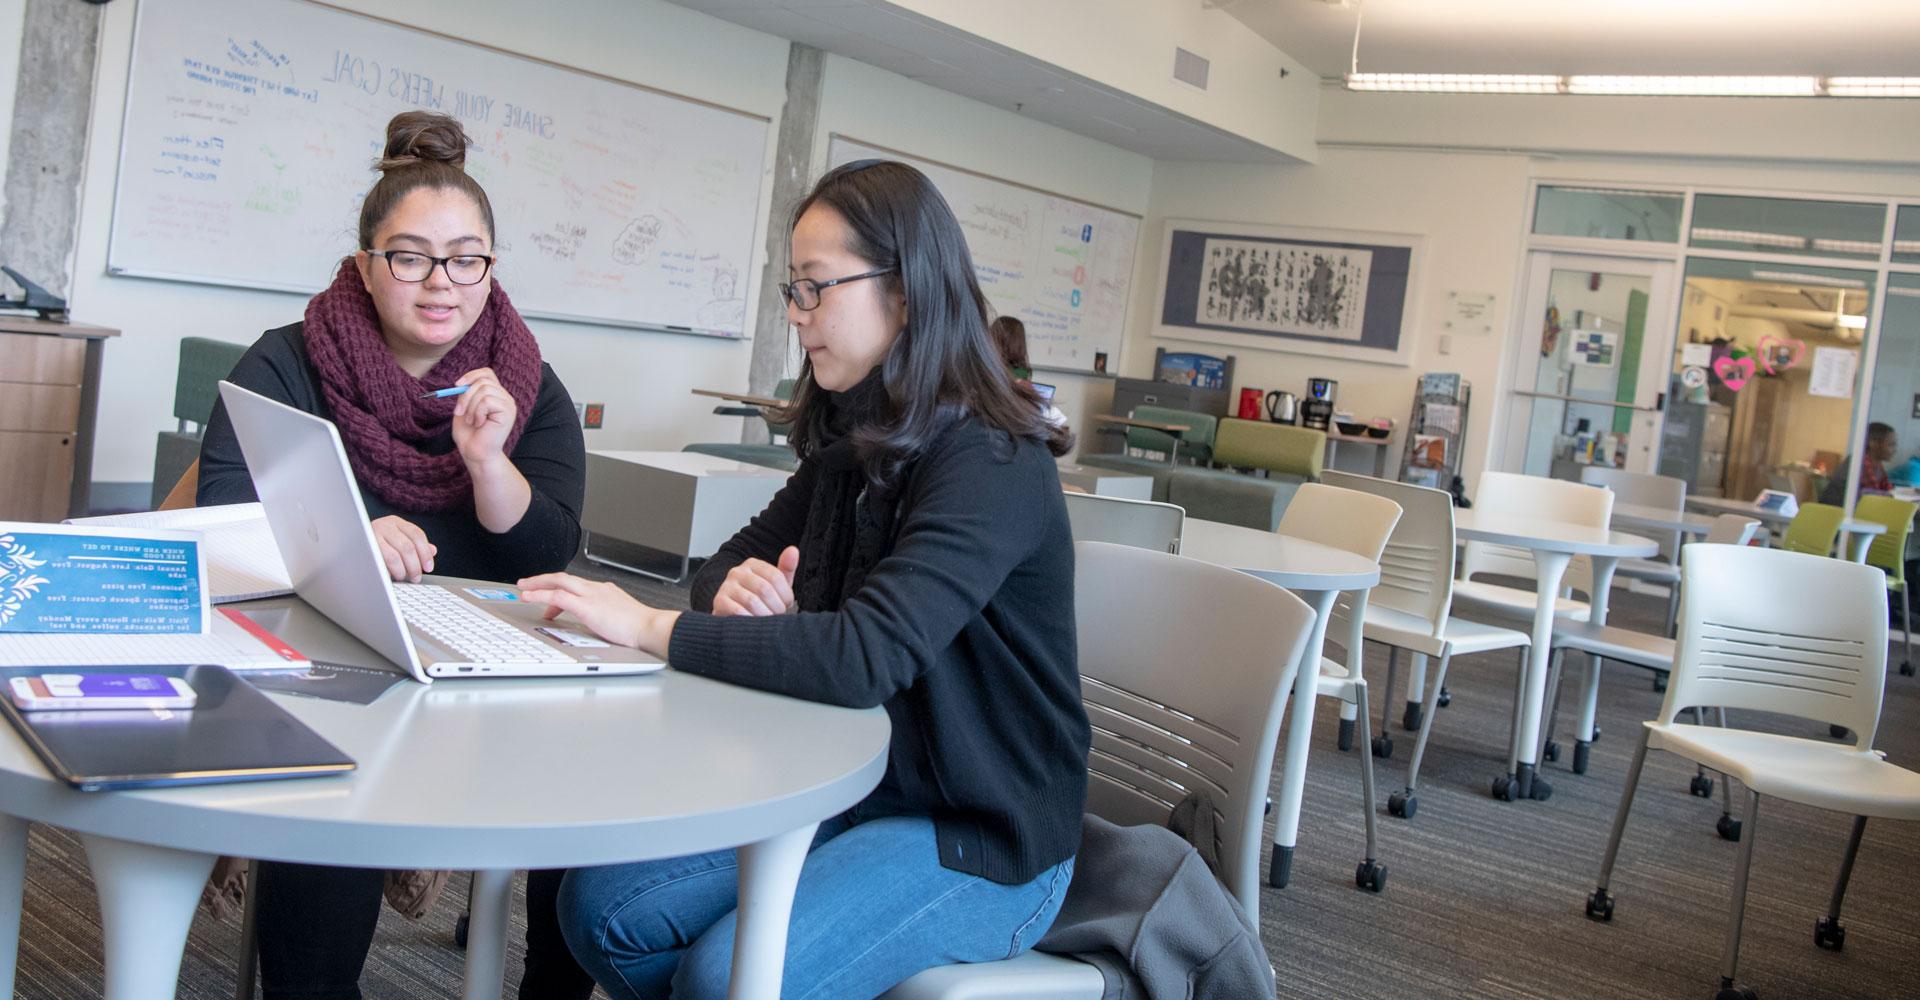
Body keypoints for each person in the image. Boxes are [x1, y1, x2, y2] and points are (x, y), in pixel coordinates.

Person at [517, 159, 1089, 999]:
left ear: (905, 290)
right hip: (850, 778)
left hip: (976, 828)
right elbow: (723, 563)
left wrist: (649, 625)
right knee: (601, 907)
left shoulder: (990, 457)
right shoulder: (858, 435)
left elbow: (864, 658)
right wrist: (733, 591)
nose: (797, 314)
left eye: (817, 288)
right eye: (795, 289)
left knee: (722, 975)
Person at [197, 111, 592, 1000]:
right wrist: (341, 538)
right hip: (330, 659)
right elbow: (222, 505)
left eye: (467, 259)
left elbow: (552, 546)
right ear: (368, 265)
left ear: (490, 269)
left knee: (590, 783)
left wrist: (489, 463)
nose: (441, 282)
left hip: (480, 670)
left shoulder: (523, 379)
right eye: (410, 256)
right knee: (334, 788)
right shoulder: (290, 361)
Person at [1818, 421, 1897, 505]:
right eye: (1891, 445)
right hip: (1837, 512)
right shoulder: (1858, 463)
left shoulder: (1877, 465)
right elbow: (1869, 496)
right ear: (1873, 444)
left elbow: (1885, 489)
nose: (1895, 450)